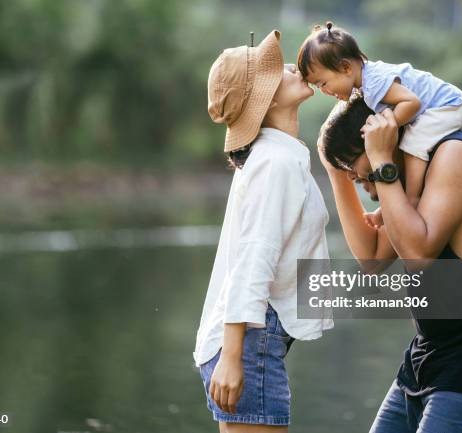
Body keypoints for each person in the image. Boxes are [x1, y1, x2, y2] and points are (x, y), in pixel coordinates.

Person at [316, 96, 462, 432]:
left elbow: (417, 255)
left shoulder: (455, 155)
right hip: (429, 359)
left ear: (385, 136)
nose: (364, 185)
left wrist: (380, 161)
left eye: (358, 170)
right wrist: (335, 170)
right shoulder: (410, 178)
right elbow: (372, 259)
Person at [193, 30, 333, 433]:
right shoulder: (276, 163)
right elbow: (252, 260)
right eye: (279, 69)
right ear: (266, 98)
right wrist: (233, 357)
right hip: (248, 341)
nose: (294, 67)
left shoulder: (278, 156)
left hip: (252, 340)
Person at [297, 21, 462, 229]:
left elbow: (412, 102)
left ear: (346, 67)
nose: (323, 91)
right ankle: (394, 207)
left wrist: (387, 127)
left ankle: (411, 201)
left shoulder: (374, 84)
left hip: (445, 106)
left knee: (412, 145)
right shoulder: (366, 83)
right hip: (439, 107)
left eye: (323, 83)